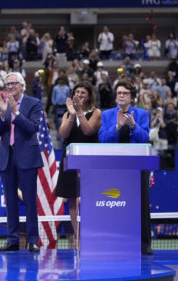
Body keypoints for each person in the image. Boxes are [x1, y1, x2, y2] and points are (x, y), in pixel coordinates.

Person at [98, 80, 152, 255]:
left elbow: (144, 138)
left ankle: (144, 244)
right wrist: (118, 126)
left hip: (137, 165)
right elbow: (102, 139)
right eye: (119, 93)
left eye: (125, 93)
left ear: (132, 96)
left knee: (141, 204)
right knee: (114, 204)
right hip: (113, 166)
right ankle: (114, 242)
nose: (121, 95)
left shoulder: (142, 114)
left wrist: (133, 125)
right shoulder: (107, 115)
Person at [0, 72, 43, 253]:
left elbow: (32, 128)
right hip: (7, 157)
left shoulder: (34, 103)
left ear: (22, 85)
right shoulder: (3, 103)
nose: (10, 87)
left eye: (14, 83)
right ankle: (12, 240)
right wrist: (3, 113)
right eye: (8, 84)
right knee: (11, 201)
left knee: (29, 200)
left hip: (27, 157)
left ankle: (33, 240)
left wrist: (15, 112)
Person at [55, 82, 101, 245]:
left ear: (89, 96)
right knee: (73, 199)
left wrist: (80, 111)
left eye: (83, 92)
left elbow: (88, 131)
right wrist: (72, 114)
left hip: (89, 160)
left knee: (89, 198)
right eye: (77, 92)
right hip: (70, 160)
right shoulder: (68, 114)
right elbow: (63, 134)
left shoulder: (96, 112)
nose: (79, 94)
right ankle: (79, 236)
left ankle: (91, 233)